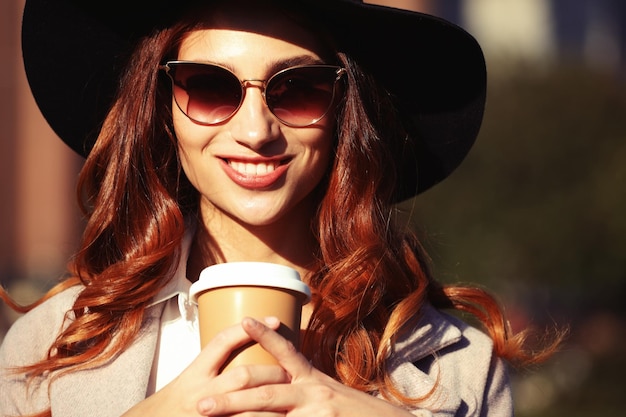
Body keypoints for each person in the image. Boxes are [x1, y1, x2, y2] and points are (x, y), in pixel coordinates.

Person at [0, 0, 561, 416]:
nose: (255, 130)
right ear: (161, 108)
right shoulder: (52, 344)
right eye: (209, 87)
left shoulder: (461, 367)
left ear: (346, 108)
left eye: (297, 89)